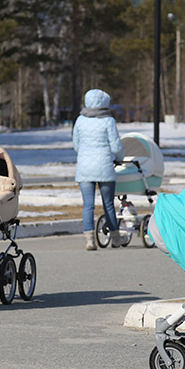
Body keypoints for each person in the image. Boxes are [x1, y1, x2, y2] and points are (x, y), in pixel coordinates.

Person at [73, 88, 124, 250]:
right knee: (108, 204)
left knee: (88, 205)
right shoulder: (108, 121)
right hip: (105, 167)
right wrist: (119, 159)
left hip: (84, 168)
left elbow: (76, 145)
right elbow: (116, 147)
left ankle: (89, 240)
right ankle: (115, 238)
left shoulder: (80, 120)